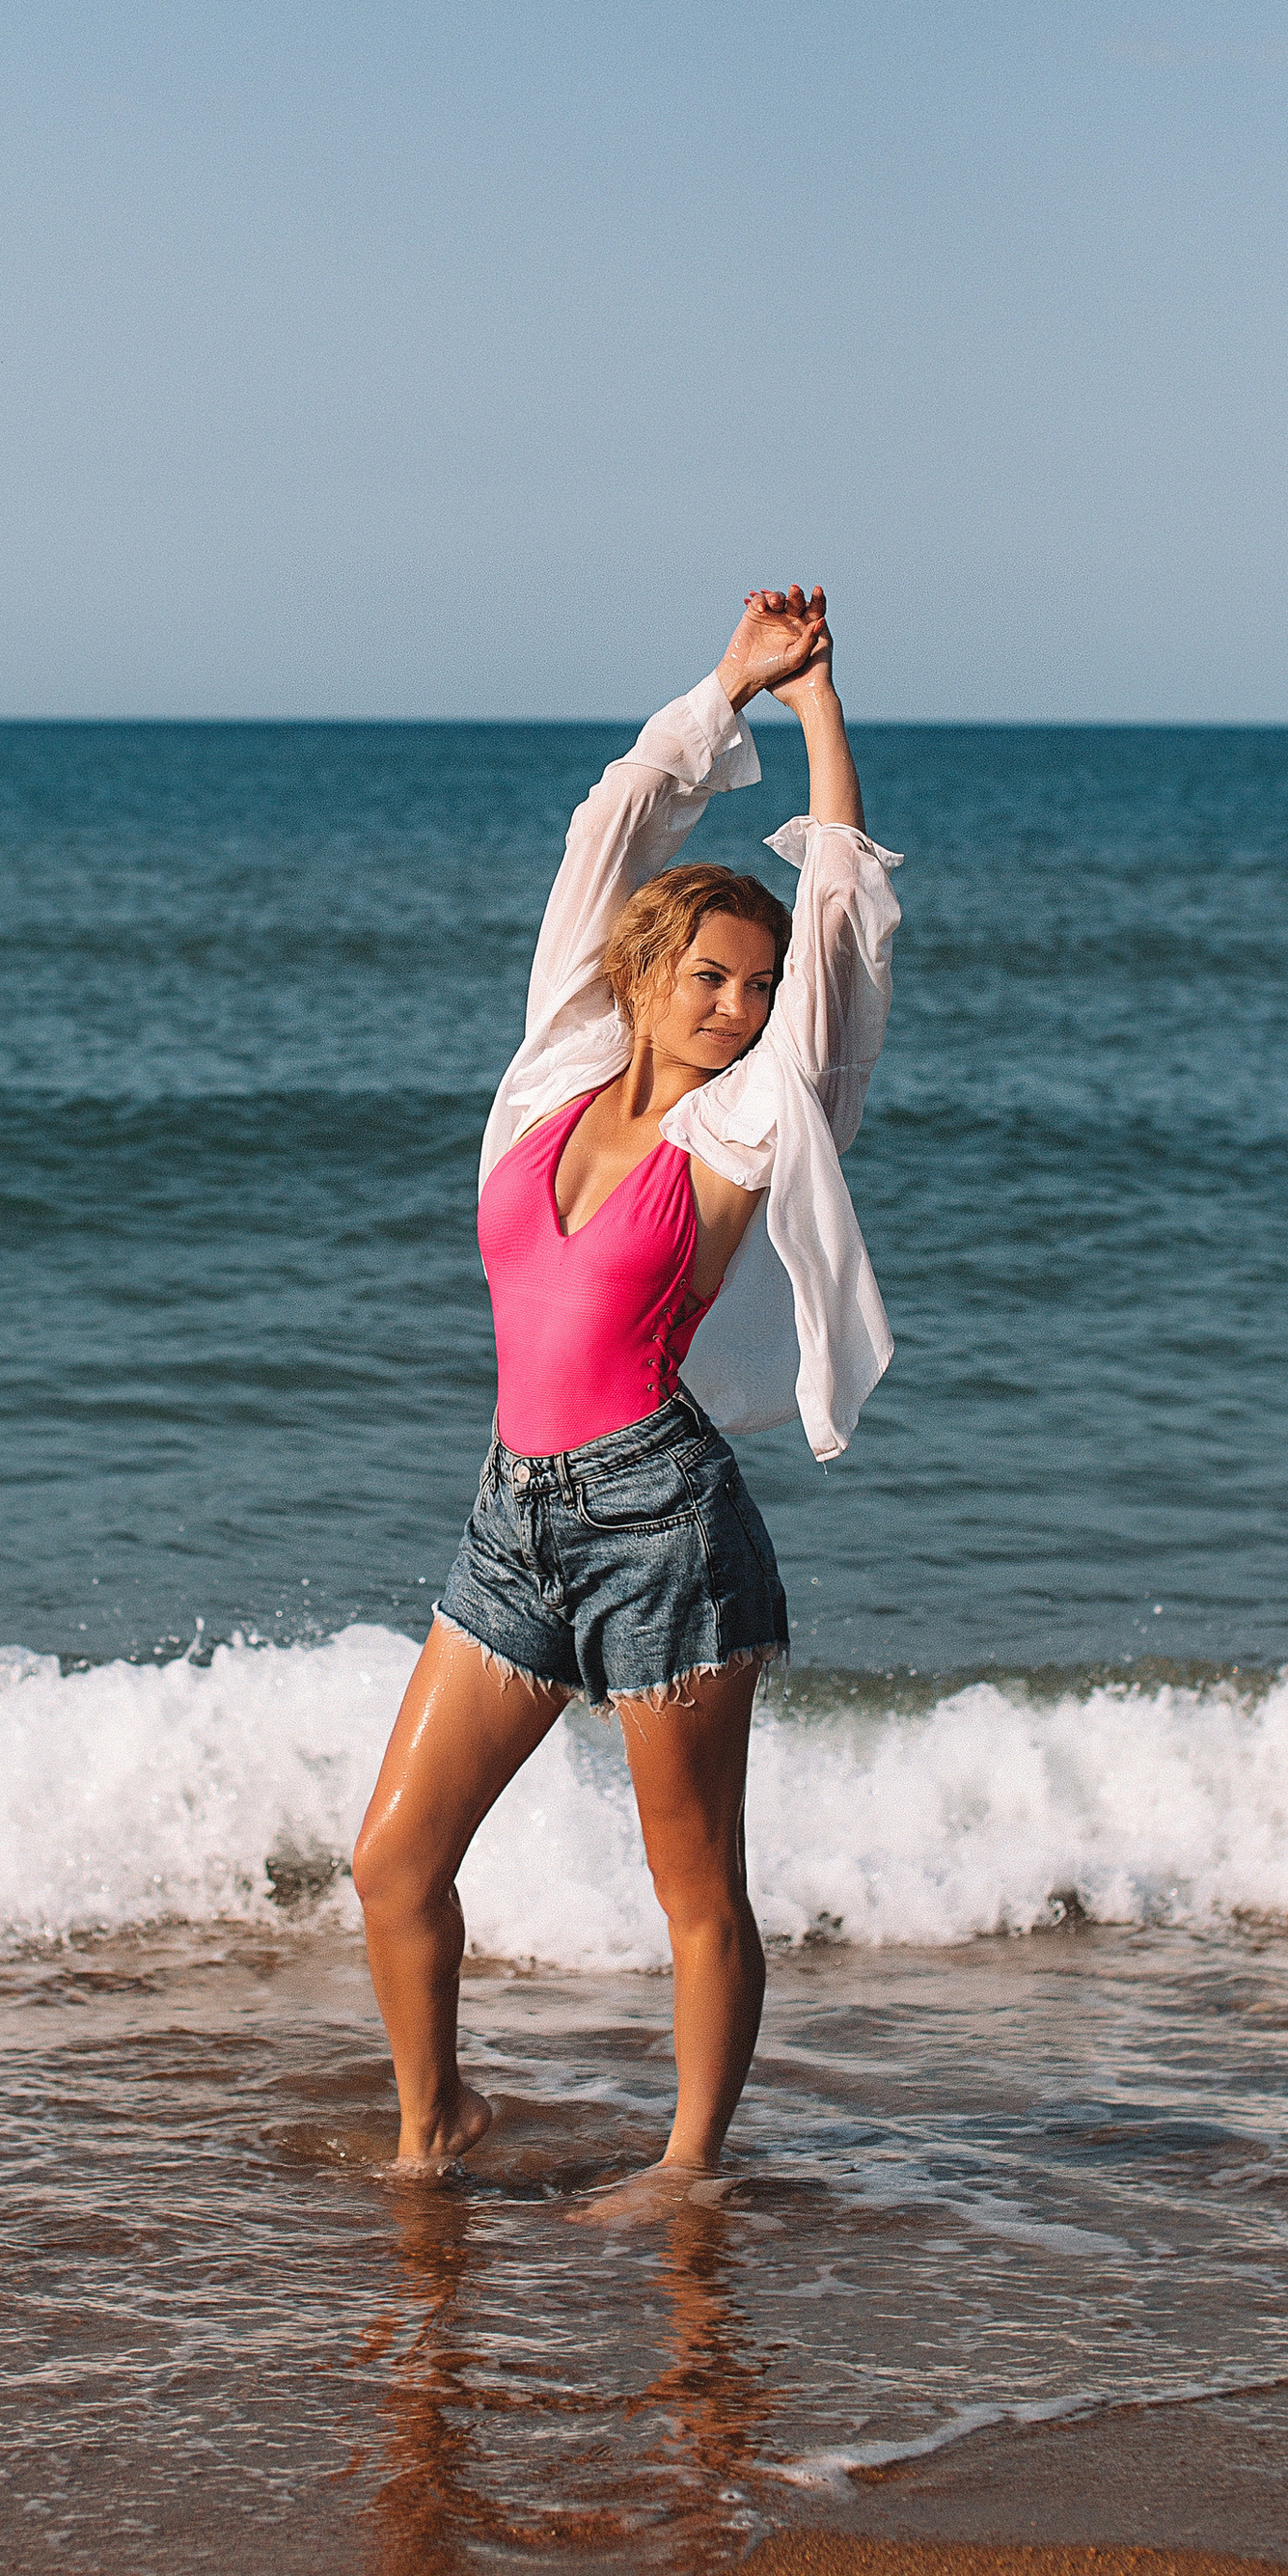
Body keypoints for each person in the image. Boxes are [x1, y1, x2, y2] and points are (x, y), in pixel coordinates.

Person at [350, 585, 902, 2178]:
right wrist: (730, 682)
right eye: (714, 977)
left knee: (696, 1888)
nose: (740, 1009)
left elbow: (842, 927)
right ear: (647, 966)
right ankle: (435, 2121)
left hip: (665, 1530)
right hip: (511, 1516)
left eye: (757, 986)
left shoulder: (738, 1128)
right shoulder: (554, 1069)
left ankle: (685, 2170)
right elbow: (618, 820)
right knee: (393, 1860)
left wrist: (818, 711)